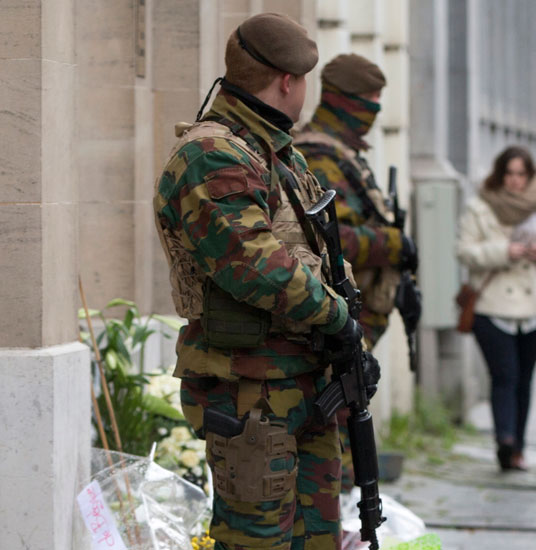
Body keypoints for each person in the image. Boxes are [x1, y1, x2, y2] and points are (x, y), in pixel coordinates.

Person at [153, 13, 376, 549]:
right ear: (288, 81)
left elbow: (317, 256)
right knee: (257, 543)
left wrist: (351, 342)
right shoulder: (213, 156)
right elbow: (255, 266)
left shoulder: (280, 154)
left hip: (304, 382)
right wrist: (340, 320)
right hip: (251, 392)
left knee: (318, 540)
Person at [294, 54, 420, 490]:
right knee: (337, 440)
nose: (375, 110)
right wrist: (393, 244)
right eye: (369, 100)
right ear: (344, 101)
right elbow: (331, 238)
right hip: (337, 322)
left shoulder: (346, 154)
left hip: (356, 321)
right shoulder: (318, 154)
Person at [456, 146, 536, 471]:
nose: (515, 181)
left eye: (521, 174)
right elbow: (464, 251)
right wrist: (504, 251)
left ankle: (518, 446)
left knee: (524, 378)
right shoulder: (480, 206)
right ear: (500, 174)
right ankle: (505, 441)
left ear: (529, 175)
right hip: (492, 307)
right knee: (504, 375)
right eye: (509, 173)